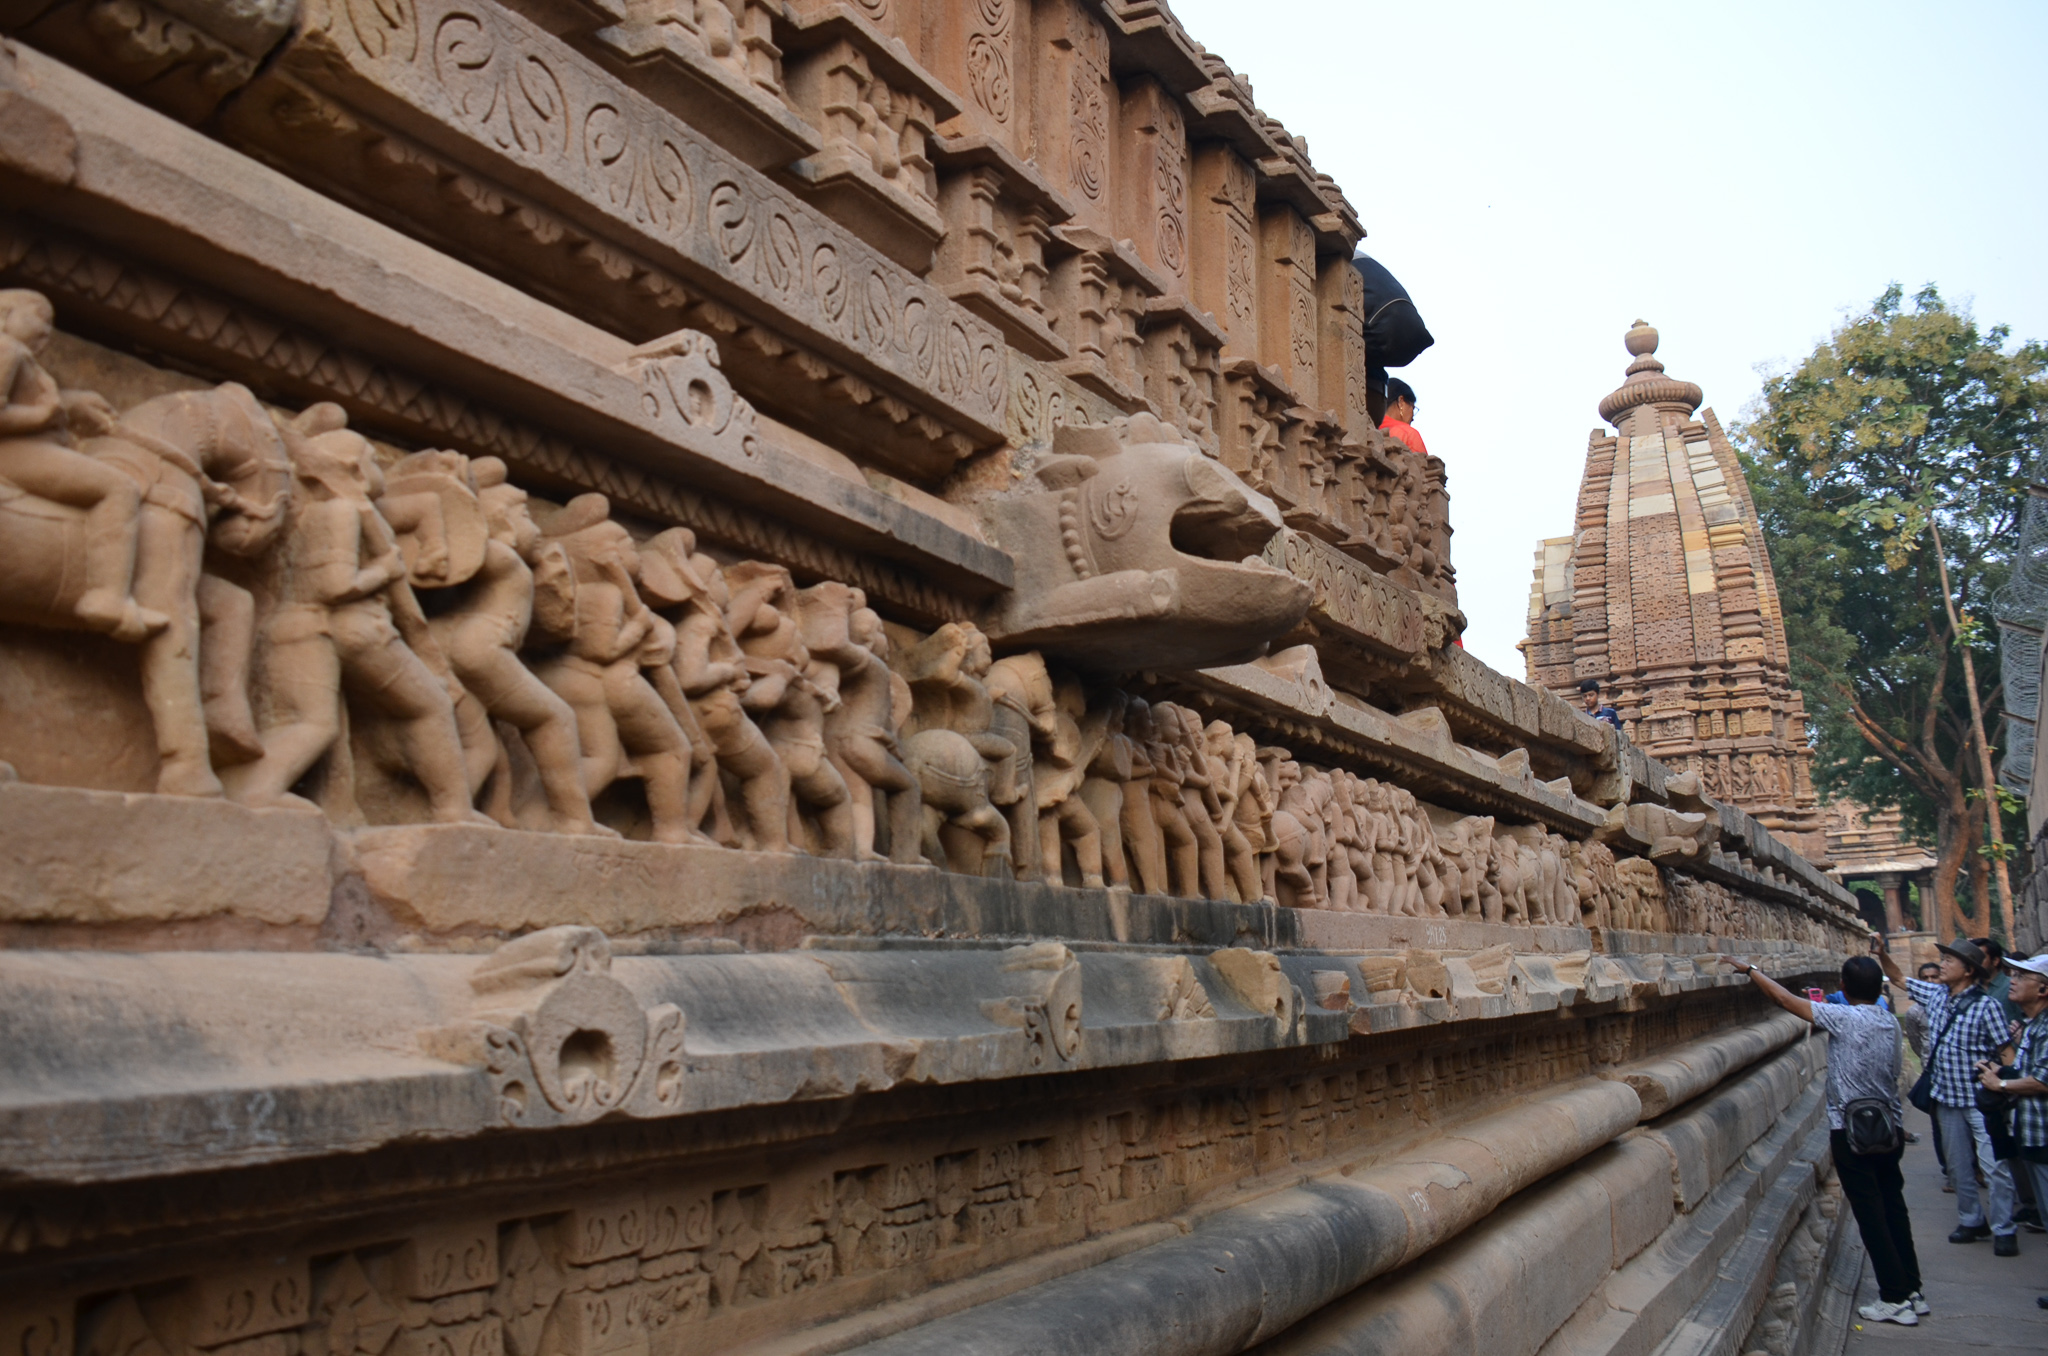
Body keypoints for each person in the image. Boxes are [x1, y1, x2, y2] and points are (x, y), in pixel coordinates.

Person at [1731, 938, 1924, 1324]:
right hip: (1889, 1127)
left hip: (1851, 1130)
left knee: (1869, 1211)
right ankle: (1913, 1288)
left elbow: (1786, 1002)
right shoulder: (1888, 1019)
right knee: (1893, 1206)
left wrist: (1750, 970)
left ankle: (1895, 1296)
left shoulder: (1844, 1017)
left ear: (1845, 988)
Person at [1878, 937, 2020, 1253]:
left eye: (1949, 961)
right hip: (1946, 1098)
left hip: (1979, 1100)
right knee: (1957, 1166)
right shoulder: (1937, 995)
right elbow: (1900, 980)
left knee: (1994, 1166)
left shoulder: (1987, 1006)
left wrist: (2003, 1083)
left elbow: (2006, 1052)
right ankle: (1971, 1220)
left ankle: (2003, 1228)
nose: (1942, 964)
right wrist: (1882, 954)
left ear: (1968, 970)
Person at [1979, 953, 2048, 1308]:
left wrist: (2000, 1085)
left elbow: (2042, 1081)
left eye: (2022, 975)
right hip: (2032, 1133)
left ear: (2043, 989)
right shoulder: (2031, 1025)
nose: (2013, 980)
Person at [1379, 377, 1428, 456]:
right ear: (1401, 401)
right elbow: (1423, 467)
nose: (1413, 418)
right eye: (1413, 408)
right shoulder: (1408, 434)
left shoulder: (1366, 429)